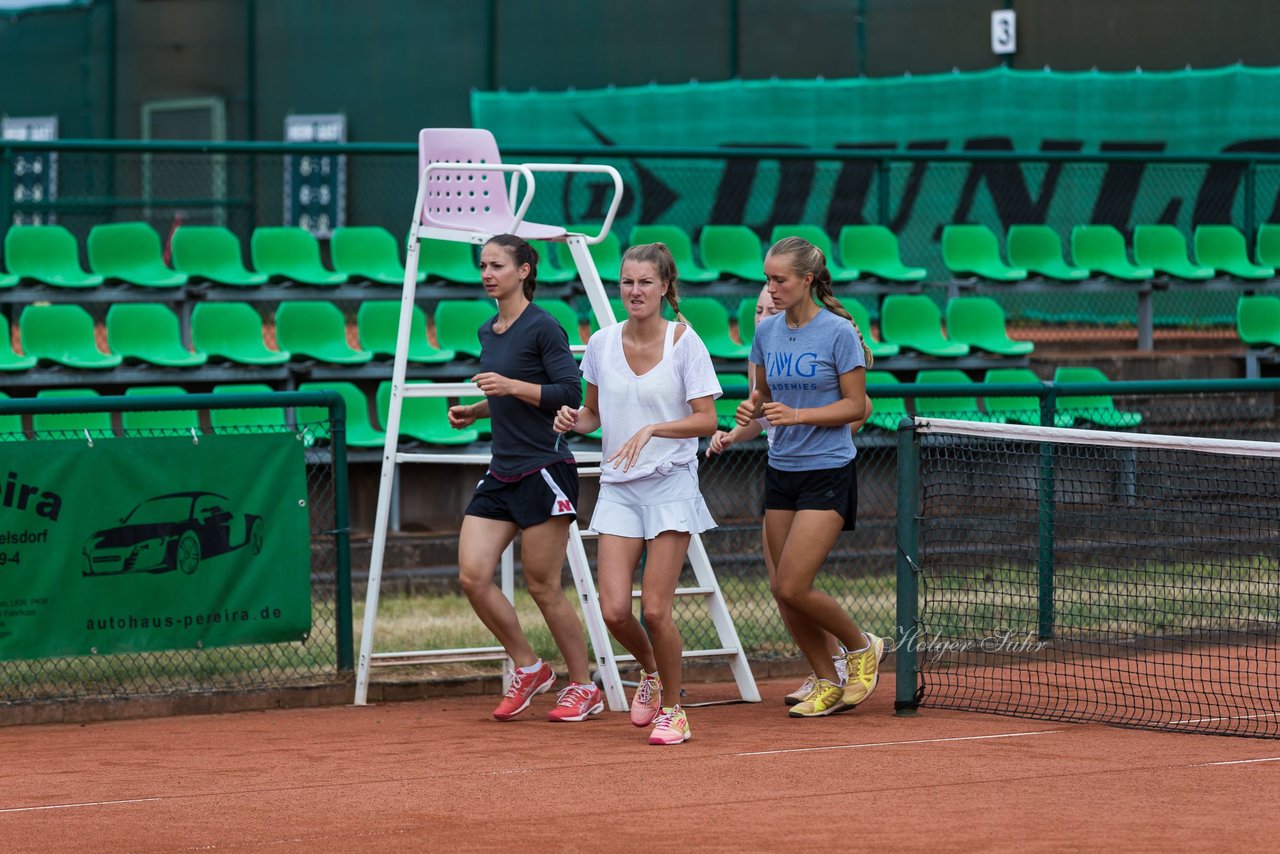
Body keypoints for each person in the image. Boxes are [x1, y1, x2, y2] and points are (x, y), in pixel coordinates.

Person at [554, 242, 721, 745]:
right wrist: (572, 422)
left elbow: (707, 419)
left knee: (654, 610)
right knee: (613, 611)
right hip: (619, 488)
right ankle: (649, 669)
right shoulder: (602, 343)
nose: (634, 291)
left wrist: (654, 430)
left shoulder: (685, 342)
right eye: (627, 282)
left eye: (645, 282)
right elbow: (594, 414)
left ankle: (674, 709)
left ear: (665, 286)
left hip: (670, 484)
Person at [446, 233, 602, 723]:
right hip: (502, 470)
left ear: (524, 271)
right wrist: (476, 409)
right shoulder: (488, 330)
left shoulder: (543, 327)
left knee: (542, 585)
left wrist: (511, 385)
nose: (487, 273)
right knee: (472, 575)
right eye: (483, 265)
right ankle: (530, 667)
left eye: (496, 265)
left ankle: (583, 686)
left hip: (545, 469)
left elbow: (569, 393)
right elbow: (507, 398)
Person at [734, 236, 885, 718]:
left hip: (828, 471)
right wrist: (747, 411)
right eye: (767, 279)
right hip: (782, 472)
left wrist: (798, 415)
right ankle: (825, 679)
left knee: (795, 585)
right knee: (781, 589)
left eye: (779, 279)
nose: (770, 288)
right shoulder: (767, 333)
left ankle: (860, 648)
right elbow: (759, 396)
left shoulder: (838, 332)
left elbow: (856, 405)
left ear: (807, 280)